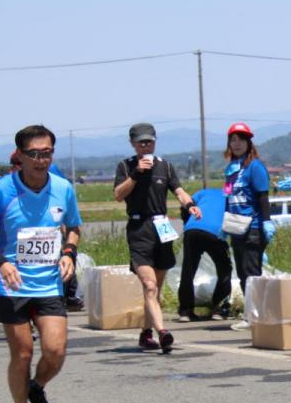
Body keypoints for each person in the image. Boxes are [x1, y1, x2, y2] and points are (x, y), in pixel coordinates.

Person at [0, 125, 82, 403]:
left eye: (46, 153)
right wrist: (1, 262)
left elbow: (73, 227)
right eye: (33, 154)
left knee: (55, 351)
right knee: (22, 353)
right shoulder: (1, 190)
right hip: (13, 284)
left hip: (49, 283)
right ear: (20, 156)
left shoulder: (63, 188)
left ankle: (37, 388)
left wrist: (69, 253)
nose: (41, 160)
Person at [113, 122, 200, 351]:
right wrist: (135, 174)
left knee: (156, 289)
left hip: (162, 227)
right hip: (138, 227)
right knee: (149, 286)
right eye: (141, 142)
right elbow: (118, 195)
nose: (146, 145)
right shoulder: (125, 166)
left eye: (149, 141)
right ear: (132, 144)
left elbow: (179, 191)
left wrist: (190, 204)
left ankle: (145, 332)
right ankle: (163, 333)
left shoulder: (166, 166)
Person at [221, 122, 273, 330]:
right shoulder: (232, 169)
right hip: (236, 227)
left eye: (241, 139)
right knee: (242, 272)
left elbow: (262, 196)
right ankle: (251, 314)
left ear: (249, 142)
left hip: (252, 226)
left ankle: (256, 315)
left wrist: (266, 222)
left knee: (252, 272)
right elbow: (228, 196)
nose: (236, 143)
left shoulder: (255, 167)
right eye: (233, 139)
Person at [178, 183, 232, 322]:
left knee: (188, 271)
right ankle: (219, 309)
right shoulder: (230, 196)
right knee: (225, 269)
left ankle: (185, 311)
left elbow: (186, 204)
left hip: (192, 230)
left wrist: (186, 222)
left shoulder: (204, 192)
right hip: (215, 232)